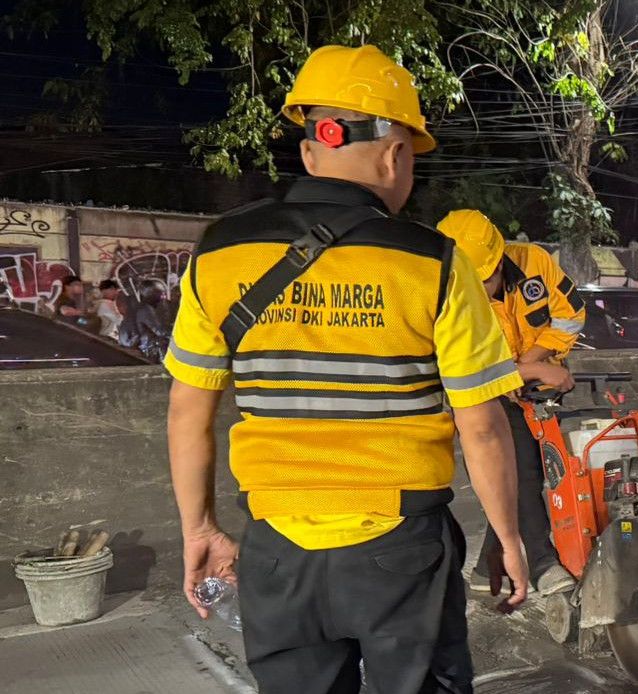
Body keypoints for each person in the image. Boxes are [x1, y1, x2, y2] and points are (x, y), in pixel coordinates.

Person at [163, 44, 529, 694]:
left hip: (277, 549)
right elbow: (481, 425)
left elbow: (189, 412)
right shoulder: (434, 262)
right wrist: (508, 537)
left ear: (310, 153)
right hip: (403, 548)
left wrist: (200, 529)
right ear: (395, 155)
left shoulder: (219, 252)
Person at [436, 209, 586, 597]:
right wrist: (529, 373)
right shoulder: (448, 294)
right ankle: (541, 562)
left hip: (533, 383)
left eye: (484, 279)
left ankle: (490, 569)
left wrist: (533, 363)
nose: (481, 288)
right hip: (486, 395)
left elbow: (570, 316)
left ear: (499, 259)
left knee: (520, 476)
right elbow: (470, 367)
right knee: (521, 473)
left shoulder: (534, 262)